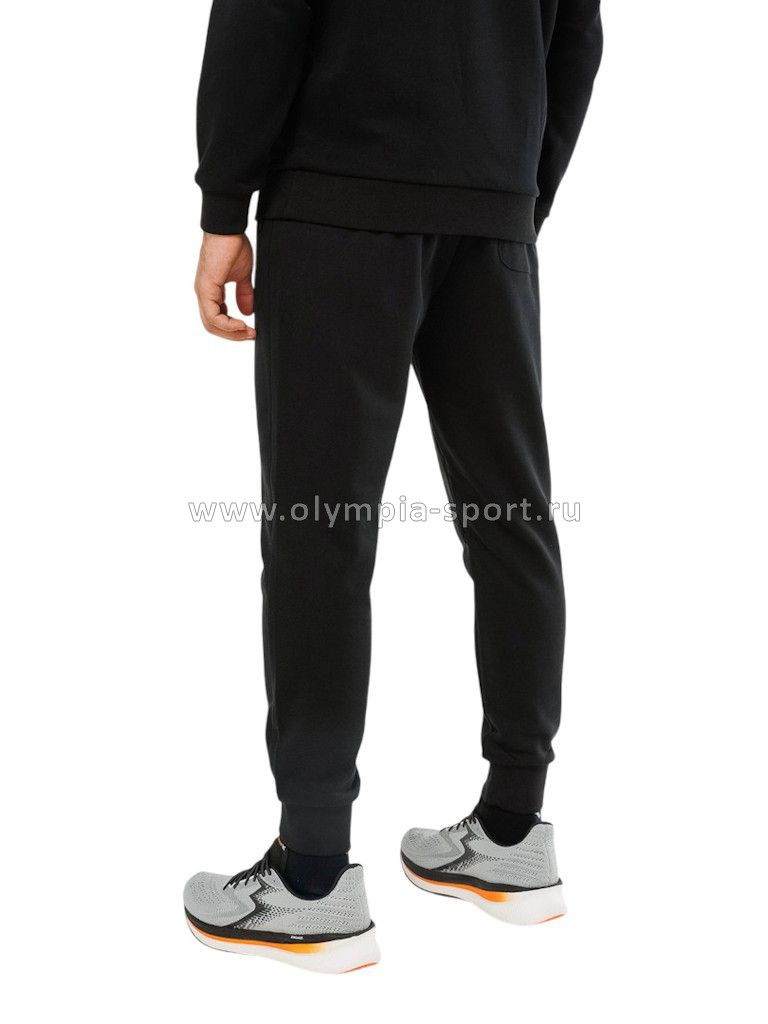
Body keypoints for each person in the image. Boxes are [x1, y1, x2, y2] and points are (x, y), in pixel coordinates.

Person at [184, 0, 603, 973]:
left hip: (340, 202)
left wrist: (222, 206)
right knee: (511, 519)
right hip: (491, 209)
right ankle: (514, 832)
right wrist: (514, 193)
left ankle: (313, 879)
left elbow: (261, 14)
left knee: (320, 532)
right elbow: (578, 35)